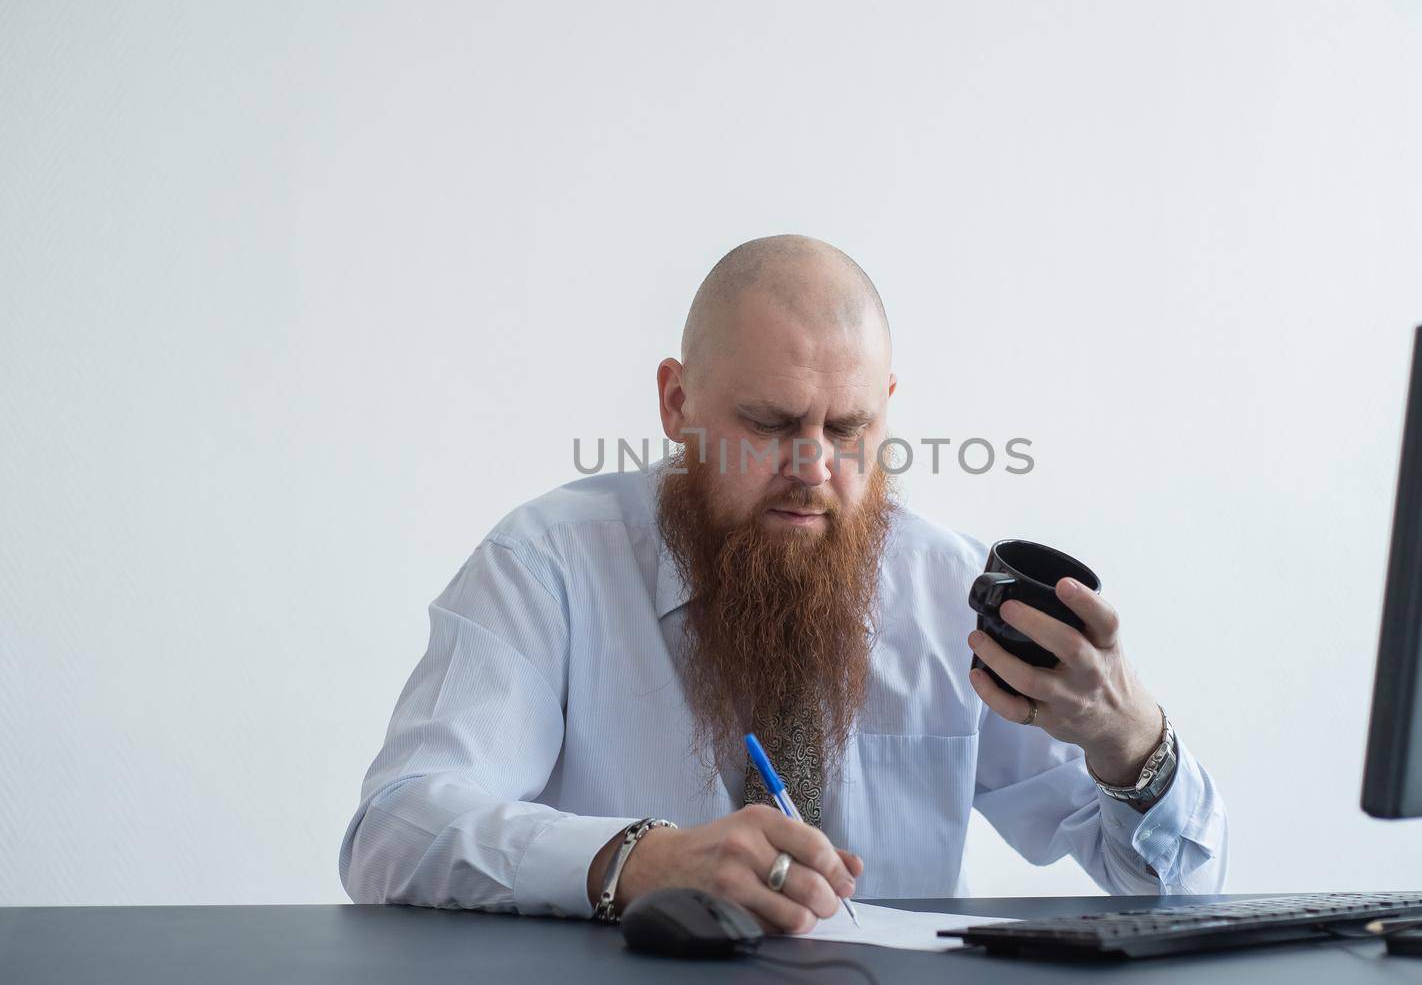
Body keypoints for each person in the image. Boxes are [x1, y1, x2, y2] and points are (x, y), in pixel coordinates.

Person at [339, 234, 1228, 933]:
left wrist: (1128, 739)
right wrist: (639, 862)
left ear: (887, 404)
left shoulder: (949, 590)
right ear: (676, 403)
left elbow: (1175, 887)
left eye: (848, 427)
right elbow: (394, 832)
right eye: (768, 423)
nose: (812, 468)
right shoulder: (548, 566)